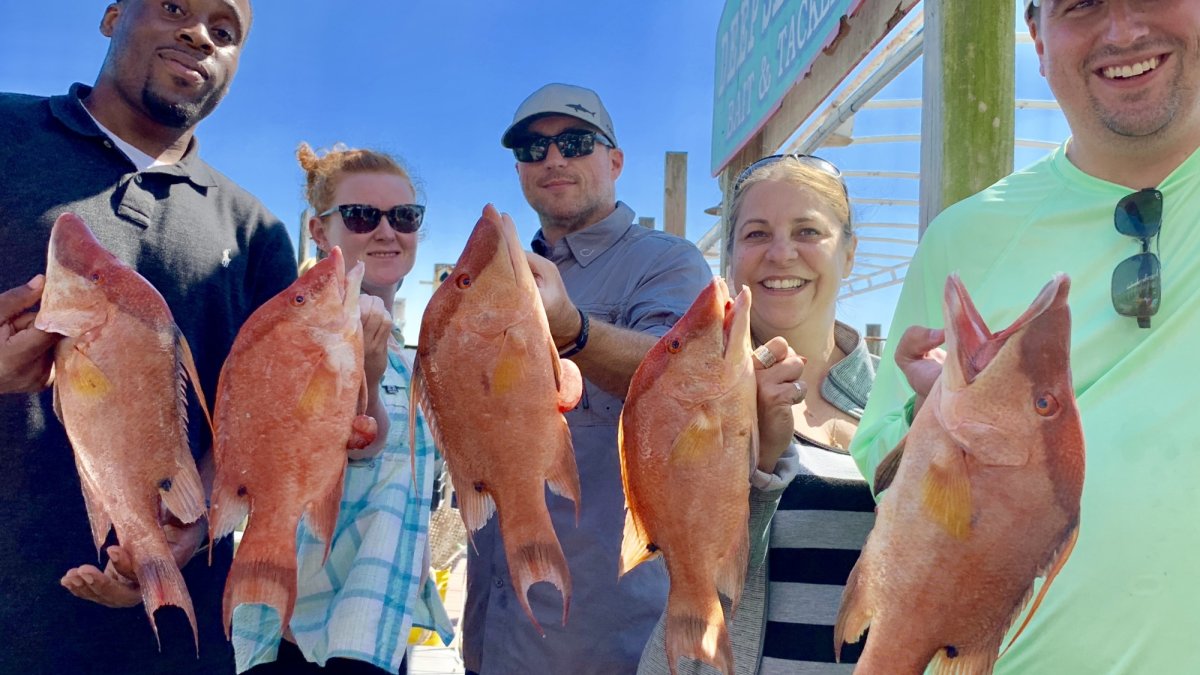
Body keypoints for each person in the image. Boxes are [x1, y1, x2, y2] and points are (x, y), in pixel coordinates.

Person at [849, 0, 1200, 672]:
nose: (1123, 30)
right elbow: (880, 463)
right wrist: (929, 425)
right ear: (1037, 39)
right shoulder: (963, 235)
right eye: (1082, 5)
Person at [0, 1, 299, 672]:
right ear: (111, 16)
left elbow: (265, 411)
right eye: (173, 7)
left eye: (225, 31)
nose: (199, 34)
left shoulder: (259, 231)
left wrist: (200, 513)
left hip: (177, 643)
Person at [461, 83, 713, 675]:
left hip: (604, 644)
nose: (554, 159)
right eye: (532, 148)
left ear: (615, 162)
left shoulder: (668, 263)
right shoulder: (494, 274)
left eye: (575, 143)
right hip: (490, 639)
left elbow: (689, 383)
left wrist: (574, 330)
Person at [638, 154, 878, 674]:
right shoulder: (687, 396)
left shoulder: (898, 393)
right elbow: (689, 557)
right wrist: (758, 458)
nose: (782, 253)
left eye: (808, 230)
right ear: (730, 259)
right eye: (756, 234)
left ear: (850, 254)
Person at [232, 143, 452, 674]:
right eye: (360, 216)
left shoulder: (402, 348)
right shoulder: (298, 329)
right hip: (307, 633)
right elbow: (347, 447)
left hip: (380, 622)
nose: (385, 231)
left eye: (404, 216)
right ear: (318, 229)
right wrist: (364, 382)